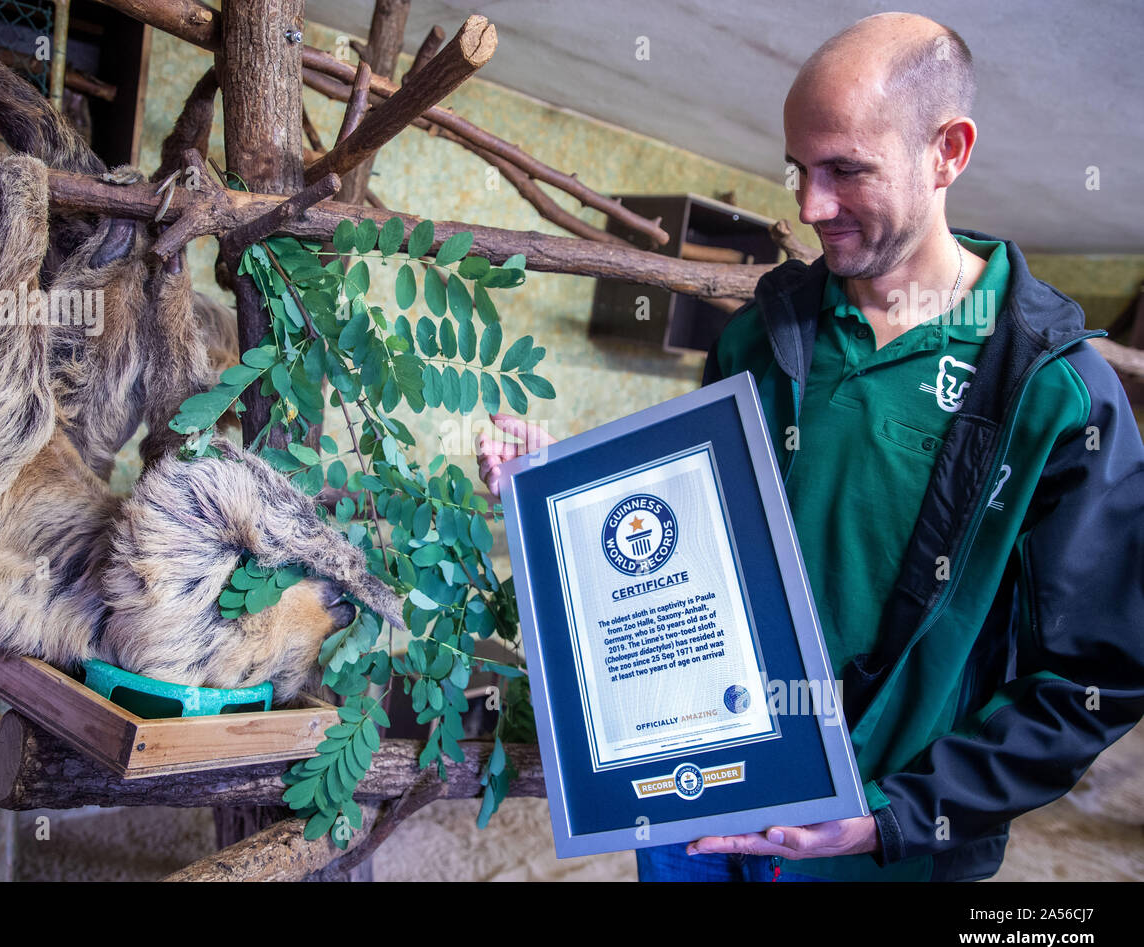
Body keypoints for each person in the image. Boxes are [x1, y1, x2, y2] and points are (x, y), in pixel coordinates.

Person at [476, 11, 1144, 881]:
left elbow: (1097, 673)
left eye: (845, 171)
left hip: (880, 849)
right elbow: (702, 541)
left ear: (949, 151)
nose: (808, 206)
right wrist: (561, 497)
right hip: (702, 811)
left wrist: (894, 817)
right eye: (799, 169)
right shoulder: (762, 336)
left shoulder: (1053, 391)